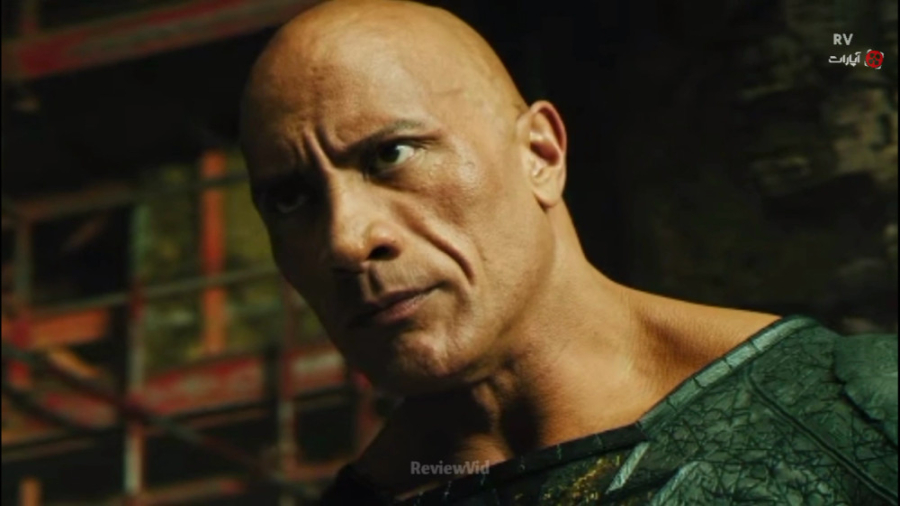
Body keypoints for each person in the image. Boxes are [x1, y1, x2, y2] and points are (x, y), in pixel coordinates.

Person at [239, 1, 898, 504]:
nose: (346, 241)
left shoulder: (857, 413)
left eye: (392, 154)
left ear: (540, 154)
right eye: (291, 200)